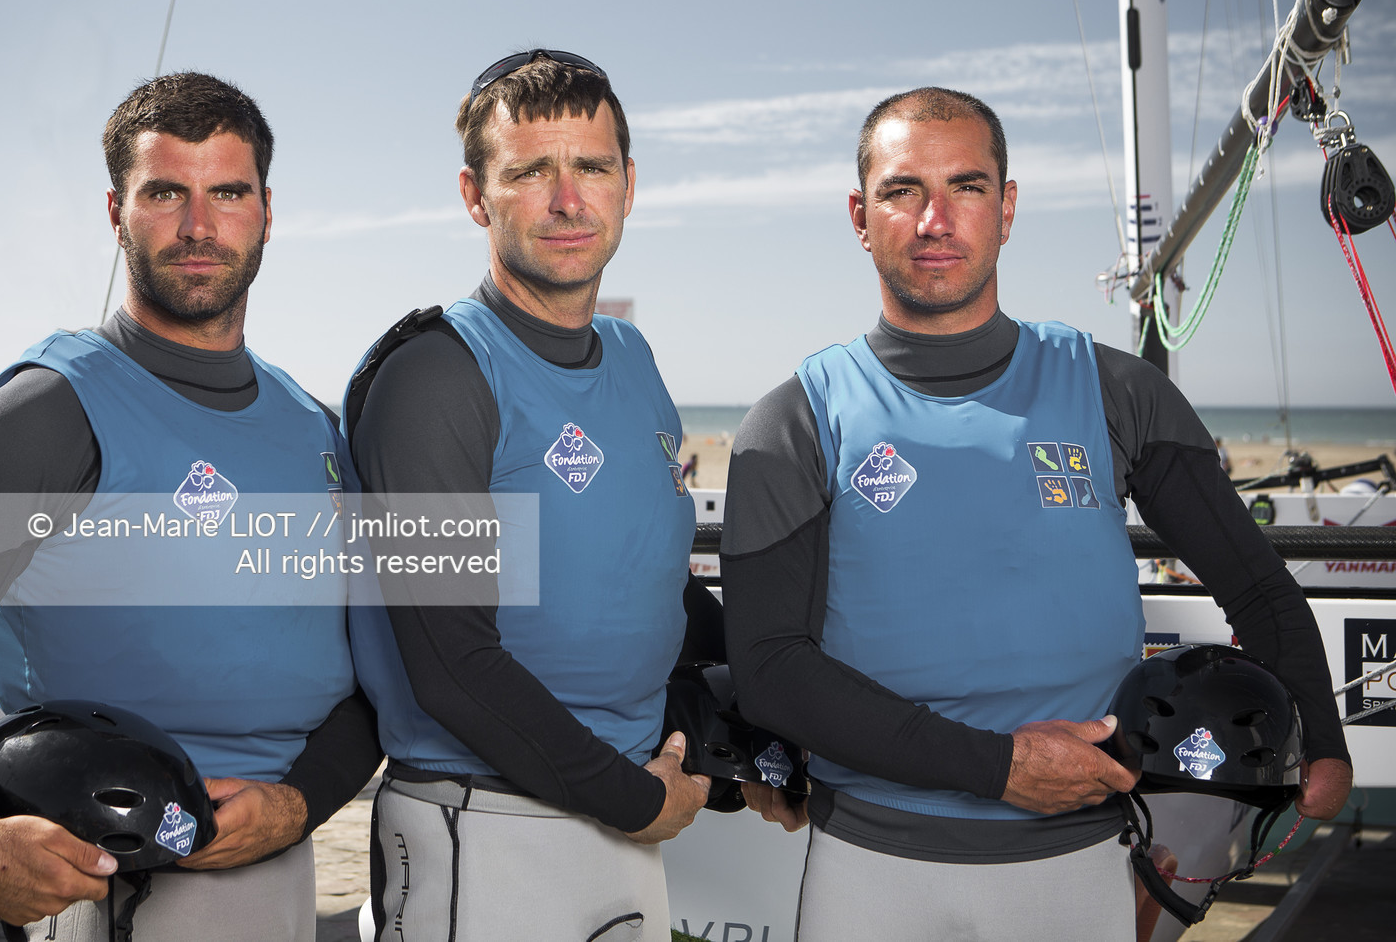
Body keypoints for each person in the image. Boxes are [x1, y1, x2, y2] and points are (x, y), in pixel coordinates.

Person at [720, 87, 1352, 941]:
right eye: (903, 190)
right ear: (860, 216)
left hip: (1078, 862)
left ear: (1008, 208)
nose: (935, 218)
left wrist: (1323, 739)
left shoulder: (1116, 390)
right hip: (873, 865)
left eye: (968, 187)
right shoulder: (796, 418)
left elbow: (1259, 589)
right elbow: (770, 668)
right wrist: (999, 768)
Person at [0, 73, 382, 941]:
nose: (199, 226)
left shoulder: (315, 426)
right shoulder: (40, 417)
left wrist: (300, 801)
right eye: (166, 192)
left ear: (267, 211)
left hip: (281, 875)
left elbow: (375, 670)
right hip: (103, 890)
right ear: (116, 212)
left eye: (228, 192)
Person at [343, 50, 720, 941]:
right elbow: (451, 665)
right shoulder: (436, 374)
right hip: (482, 824)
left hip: (622, 822)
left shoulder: (633, 357)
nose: (566, 199)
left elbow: (649, 583)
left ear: (628, 185)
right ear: (476, 195)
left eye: (591, 168)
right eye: (529, 172)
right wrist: (632, 798)